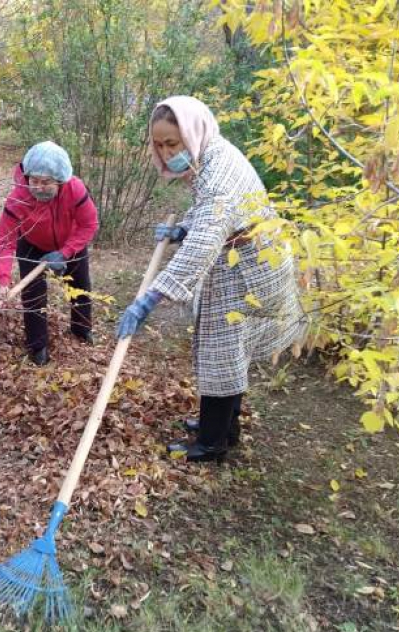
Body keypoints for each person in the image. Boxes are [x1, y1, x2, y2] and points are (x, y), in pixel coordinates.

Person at [117, 96, 306, 463]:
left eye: (172, 142)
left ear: (193, 132)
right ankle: (222, 427)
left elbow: (206, 239)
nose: (166, 150)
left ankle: (211, 443)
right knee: (228, 351)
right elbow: (208, 215)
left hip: (250, 271)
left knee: (222, 351)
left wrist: (150, 298)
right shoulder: (211, 155)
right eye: (159, 144)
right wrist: (182, 228)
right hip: (243, 260)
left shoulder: (218, 172)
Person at [0, 141, 99, 365]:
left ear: (59, 180)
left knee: (80, 286)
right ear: (27, 176)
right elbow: (5, 240)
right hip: (31, 243)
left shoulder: (75, 189)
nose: (39, 187)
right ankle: (38, 346)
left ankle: (82, 329)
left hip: (70, 241)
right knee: (33, 295)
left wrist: (65, 252)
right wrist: (2, 280)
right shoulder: (18, 198)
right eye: (35, 181)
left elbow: (89, 224)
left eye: (46, 182)